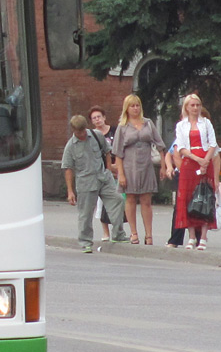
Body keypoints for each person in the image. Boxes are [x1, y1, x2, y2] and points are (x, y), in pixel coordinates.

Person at [62, 114, 129, 253]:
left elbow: (107, 151)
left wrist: (109, 170)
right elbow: (68, 169)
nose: (81, 134)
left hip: (103, 178)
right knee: (85, 214)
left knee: (117, 200)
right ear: (73, 131)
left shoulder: (96, 135)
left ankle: (118, 234)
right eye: (78, 132)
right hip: (86, 182)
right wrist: (70, 191)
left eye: (83, 131)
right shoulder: (71, 146)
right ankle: (85, 242)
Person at [112, 94, 166, 244]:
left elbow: (160, 145)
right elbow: (117, 153)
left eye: (137, 105)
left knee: (146, 200)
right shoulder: (123, 127)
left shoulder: (148, 123)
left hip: (146, 166)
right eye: (132, 106)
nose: (135, 108)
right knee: (130, 199)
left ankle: (149, 235)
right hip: (129, 167)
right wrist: (121, 174)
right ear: (127, 108)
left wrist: (163, 166)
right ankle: (133, 233)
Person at [173, 93, 219, 250]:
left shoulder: (206, 123)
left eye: (197, 105)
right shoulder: (181, 125)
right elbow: (181, 147)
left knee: (205, 196)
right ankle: (191, 236)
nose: (195, 108)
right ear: (186, 107)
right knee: (188, 198)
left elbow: (213, 144)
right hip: (189, 163)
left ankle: (204, 237)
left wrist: (205, 161)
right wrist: (197, 159)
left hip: (205, 161)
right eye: (192, 105)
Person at [88, 105, 119, 241]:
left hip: (117, 169)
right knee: (101, 203)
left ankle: (118, 231)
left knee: (118, 201)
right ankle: (105, 232)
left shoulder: (114, 131)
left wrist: (116, 167)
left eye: (99, 117)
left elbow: (119, 149)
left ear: (104, 117)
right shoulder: (91, 135)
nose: (97, 120)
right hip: (101, 172)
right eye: (94, 118)